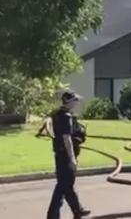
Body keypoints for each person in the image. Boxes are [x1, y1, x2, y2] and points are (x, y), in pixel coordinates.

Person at [46, 91, 91, 219]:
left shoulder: (57, 114)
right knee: (63, 186)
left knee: (66, 184)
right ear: (70, 102)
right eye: (75, 101)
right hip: (65, 155)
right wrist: (72, 158)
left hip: (59, 154)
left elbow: (51, 127)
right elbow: (67, 139)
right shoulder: (66, 117)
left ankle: (77, 210)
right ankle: (53, 215)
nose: (77, 103)